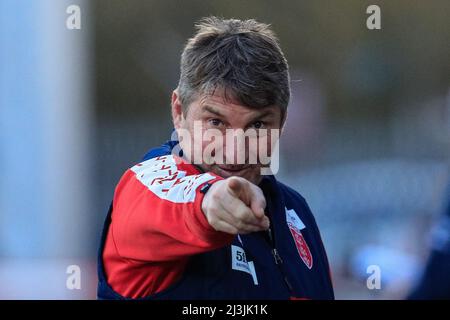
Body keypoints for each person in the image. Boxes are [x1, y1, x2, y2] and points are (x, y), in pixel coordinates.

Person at [97, 16, 334, 300]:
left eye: (257, 125)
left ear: (281, 123)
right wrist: (212, 199)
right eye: (216, 122)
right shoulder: (145, 185)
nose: (235, 153)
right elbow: (181, 199)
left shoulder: (295, 211)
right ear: (178, 112)